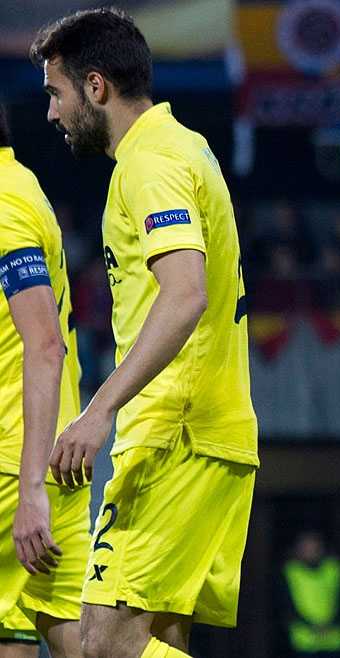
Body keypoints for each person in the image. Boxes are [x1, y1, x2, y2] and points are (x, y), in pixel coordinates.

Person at [31, 8, 258, 658]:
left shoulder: (150, 162)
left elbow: (185, 294)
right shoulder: (186, 146)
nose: (51, 112)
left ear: (96, 86)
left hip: (173, 434)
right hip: (206, 431)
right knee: (158, 637)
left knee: (103, 644)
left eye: (57, 92)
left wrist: (98, 411)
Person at [0, 105, 88, 657]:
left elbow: (45, 344)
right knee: (69, 638)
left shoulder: (4, 205)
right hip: (47, 456)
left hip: (14, 465)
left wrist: (29, 488)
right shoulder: (22, 185)